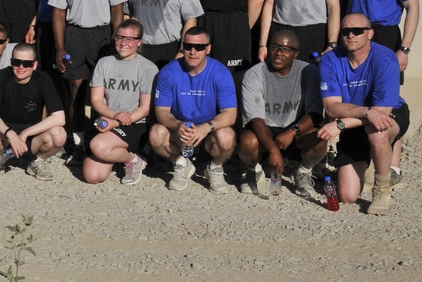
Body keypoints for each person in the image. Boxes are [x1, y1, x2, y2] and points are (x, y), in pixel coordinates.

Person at [347, 0, 418, 183]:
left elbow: (412, 7)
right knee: (361, 96)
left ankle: (394, 165)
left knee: (387, 98)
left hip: (386, 34)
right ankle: (364, 158)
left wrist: (406, 48)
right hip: (358, 33)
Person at [317, 14, 411, 214]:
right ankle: (376, 158)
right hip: (361, 116)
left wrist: (340, 125)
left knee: (377, 132)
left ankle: (382, 190)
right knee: (349, 196)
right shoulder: (330, 60)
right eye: (345, 31)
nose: (351, 35)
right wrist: (366, 112)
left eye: (357, 31)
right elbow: (332, 107)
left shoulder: (385, 58)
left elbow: (383, 112)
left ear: (370, 34)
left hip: (388, 114)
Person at [48, 0, 126, 154]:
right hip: (75, 34)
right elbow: (59, 12)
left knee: (105, 92)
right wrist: (60, 47)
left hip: (102, 34)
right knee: (76, 92)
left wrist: (117, 38)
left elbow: (117, 8)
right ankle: (79, 141)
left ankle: (104, 138)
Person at [239, 30, 328, 198]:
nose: (279, 53)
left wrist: (292, 131)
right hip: (265, 128)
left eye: (286, 49)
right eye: (275, 47)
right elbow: (255, 119)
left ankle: (303, 172)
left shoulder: (308, 72)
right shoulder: (255, 74)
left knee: (320, 138)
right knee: (247, 141)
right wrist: (274, 150)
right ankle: (254, 170)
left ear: (296, 54)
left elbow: (316, 113)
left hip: (295, 128)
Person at [149, 27, 237, 193]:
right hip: (181, 132)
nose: (193, 51)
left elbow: (230, 115)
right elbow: (161, 111)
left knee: (227, 136)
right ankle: (181, 164)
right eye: (188, 46)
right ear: (182, 47)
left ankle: (215, 168)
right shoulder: (168, 72)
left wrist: (206, 128)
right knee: (156, 133)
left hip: (208, 133)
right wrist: (177, 125)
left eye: (199, 47)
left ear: (208, 48)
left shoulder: (221, 73)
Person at [82, 20, 158, 185]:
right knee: (92, 176)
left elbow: (145, 108)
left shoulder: (148, 68)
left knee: (99, 147)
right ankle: (119, 154)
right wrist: (114, 116)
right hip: (109, 120)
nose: (124, 43)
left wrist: (117, 122)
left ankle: (134, 159)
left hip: (136, 124)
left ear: (139, 42)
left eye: (130, 39)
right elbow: (96, 99)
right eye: (120, 37)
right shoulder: (104, 63)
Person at [0, 44, 66, 180]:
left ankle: (37, 162)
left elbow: (60, 118)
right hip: (5, 133)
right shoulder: (0, 77)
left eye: (27, 63)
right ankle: (0, 161)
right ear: (11, 62)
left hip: (33, 134)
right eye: (17, 62)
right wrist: (11, 134)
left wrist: (26, 133)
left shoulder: (43, 79)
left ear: (35, 65)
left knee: (60, 135)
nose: (21, 67)